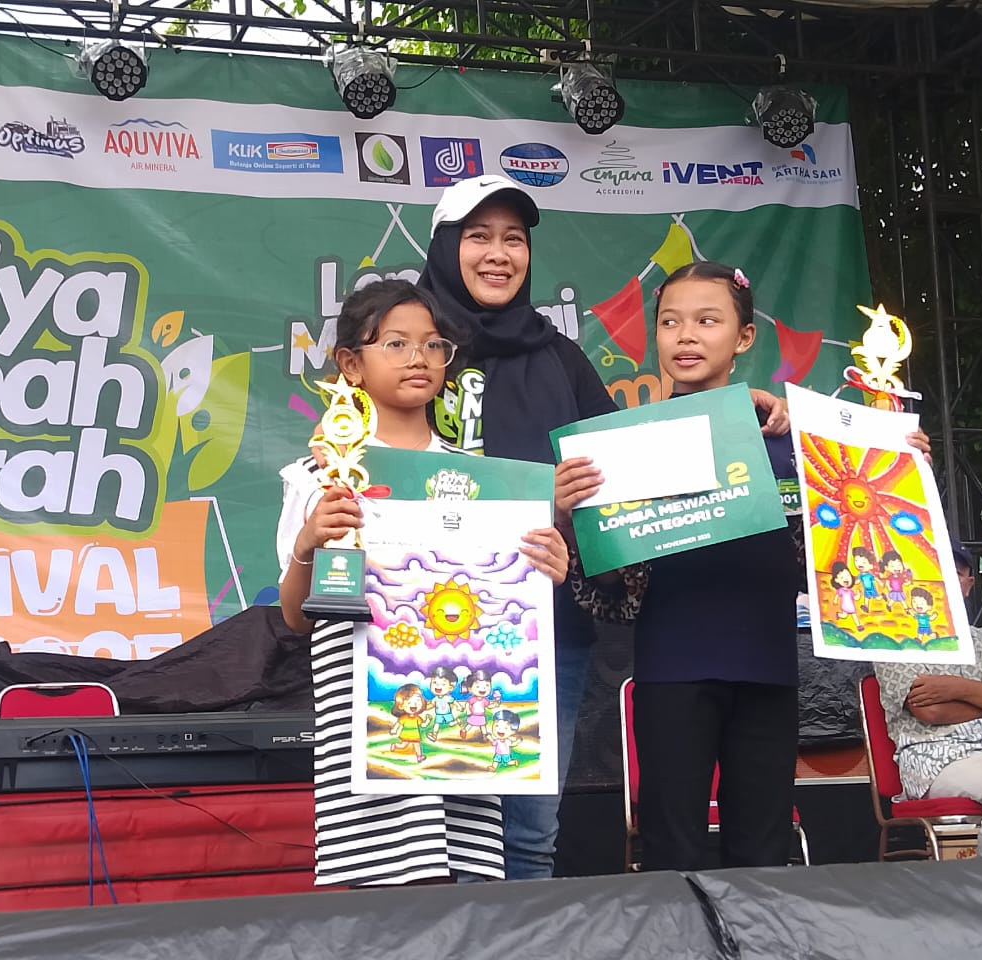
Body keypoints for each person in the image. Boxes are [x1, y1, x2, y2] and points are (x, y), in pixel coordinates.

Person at [418, 178, 791, 880]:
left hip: (545, 623)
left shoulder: (559, 357)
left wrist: (744, 414)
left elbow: (629, 464)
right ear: (443, 246)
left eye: (514, 239)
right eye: (478, 237)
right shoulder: (416, 350)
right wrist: (538, 499)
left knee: (531, 836)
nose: (498, 254)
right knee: (434, 839)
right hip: (426, 618)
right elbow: (382, 459)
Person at [566, 261, 933, 871]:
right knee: (670, 847)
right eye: (670, 322)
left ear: (743, 337)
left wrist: (898, 472)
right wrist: (581, 519)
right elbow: (607, 585)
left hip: (767, 668)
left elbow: (845, 552)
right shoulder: (622, 445)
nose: (686, 336)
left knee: (763, 848)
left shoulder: (789, 440)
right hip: (672, 668)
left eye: (707, 321)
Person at [275, 278, 569, 886]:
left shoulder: (482, 480)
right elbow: (297, 617)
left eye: (434, 345)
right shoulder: (321, 475)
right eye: (396, 343)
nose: (418, 358)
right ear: (351, 364)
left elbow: (509, 600)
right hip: (365, 719)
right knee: (380, 896)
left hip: (462, 711)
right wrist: (307, 545)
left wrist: (548, 571)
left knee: (464, 895)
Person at [874, 541, 982, 858]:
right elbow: (931, 711)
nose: (943, 580)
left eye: (953, 573)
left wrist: (958, 688)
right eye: (932, 572)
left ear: (968, 584)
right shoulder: (894, 642)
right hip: (937, 756)